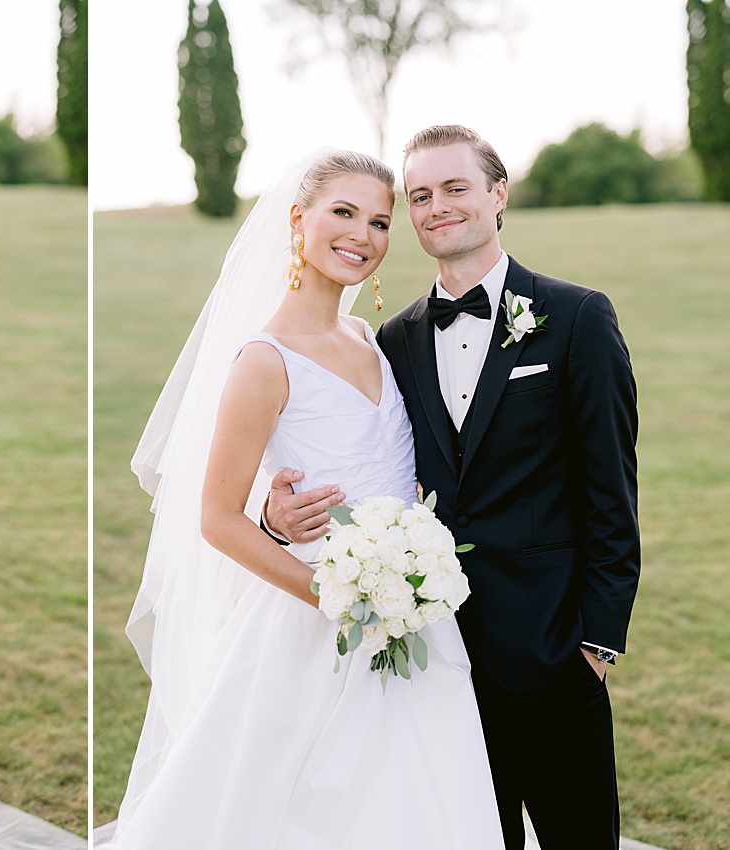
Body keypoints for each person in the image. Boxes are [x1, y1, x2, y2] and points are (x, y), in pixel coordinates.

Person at [97, 151, 505, 850]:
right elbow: (218, 519)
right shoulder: (264, 359)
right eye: (343, 213)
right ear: (297, 221)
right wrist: (335, 594)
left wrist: (407, 576)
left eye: (379, 220)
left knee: (420, 797)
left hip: (412, 601)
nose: (363, 235)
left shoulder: (367, 340)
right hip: (316, 614)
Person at [266, 126, 641, 850]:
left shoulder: (576, 318)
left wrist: (596, 644)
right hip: (431, 658)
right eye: (420, 196)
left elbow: (612, 491)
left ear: (497, 195)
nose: (437, 207)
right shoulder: (393, 339)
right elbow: (361, 462)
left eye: (455, 188)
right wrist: (277, 516)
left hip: (552, 649)